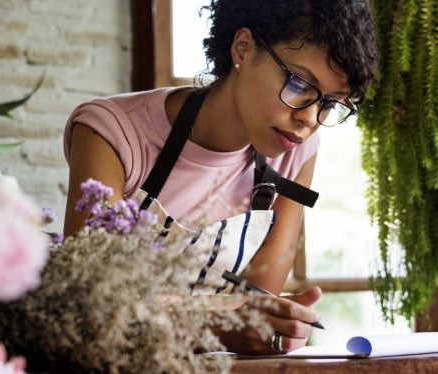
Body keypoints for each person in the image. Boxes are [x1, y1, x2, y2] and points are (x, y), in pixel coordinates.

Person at [62, 0, 378, 355]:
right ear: (243, 48)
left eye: (330, 104)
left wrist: (274, 320)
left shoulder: (297, 153)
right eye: (298, 83)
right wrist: (215, 324)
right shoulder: (111, 132)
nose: (309, 118)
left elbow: (255, 302)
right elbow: (90, 303)